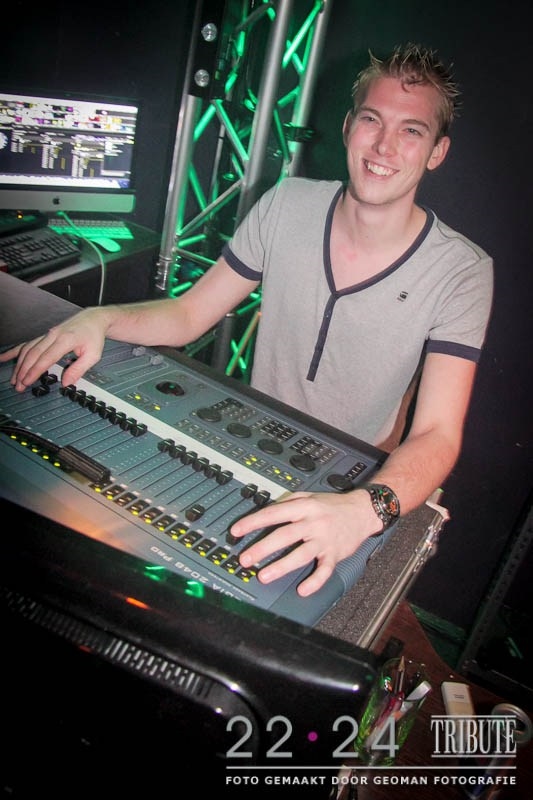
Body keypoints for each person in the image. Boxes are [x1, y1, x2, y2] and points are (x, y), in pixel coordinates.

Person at [0, 43, 493, 599]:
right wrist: (100, 318)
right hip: (245, 440)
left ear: (437, 152)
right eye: (372, 120)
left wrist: (366, 508)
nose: (384, 146)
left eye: (412, 131)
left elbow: (437, 433)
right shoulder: (286, 204)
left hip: (355, 485)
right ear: (347, 125)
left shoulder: (463, 271)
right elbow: (189, 314)